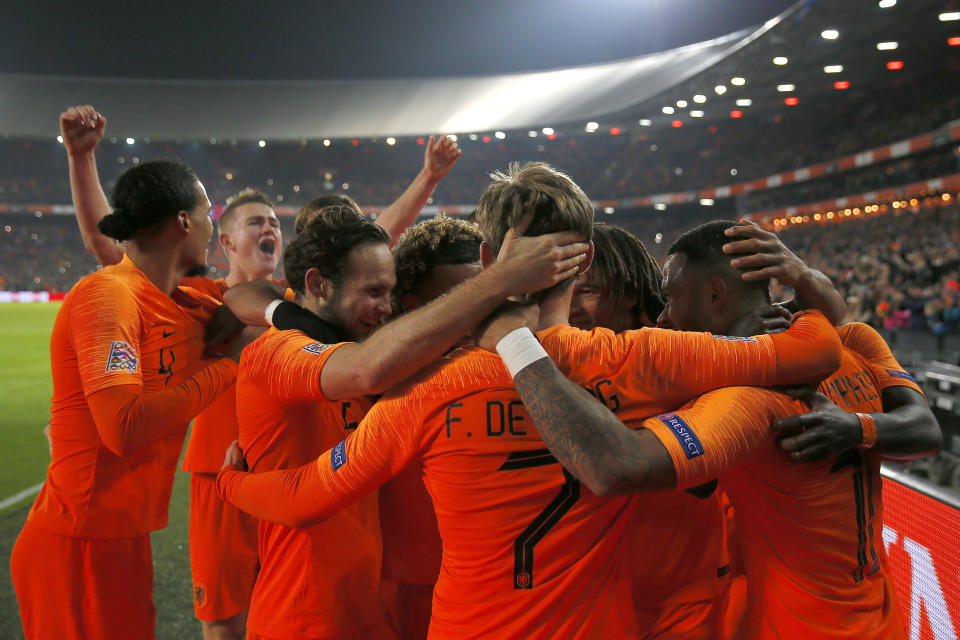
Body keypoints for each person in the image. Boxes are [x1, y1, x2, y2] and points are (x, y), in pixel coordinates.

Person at [215, 163, 842, 639]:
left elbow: (302, 499)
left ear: (488, 259)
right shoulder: (643, 360)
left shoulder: (430, 390)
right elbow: (818, 350)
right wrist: (806, 284)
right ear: (586, 258)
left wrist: (232, 484)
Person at [57, 105, 462, 639]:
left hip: (296, 466)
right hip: (220, 466)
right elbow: (111, 248)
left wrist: (429, 177)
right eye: (256, 222)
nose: (271, 227)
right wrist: (82, 158)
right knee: (225, 614)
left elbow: (367, 252)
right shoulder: (200, 297)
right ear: (222, 240)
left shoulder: (299, 301)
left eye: (276, 221)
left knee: (300, 581)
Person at [480, 219, 941, 639]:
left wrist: (513, 340)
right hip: (881, 616)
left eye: (672, 298)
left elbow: (619, 467)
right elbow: (922, 430)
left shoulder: (747, 403)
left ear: (715, 294)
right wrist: (803, 282)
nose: (664, 315)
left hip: (794, 624)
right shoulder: (852, 340)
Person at [234, 202, 586, 640]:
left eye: (390, 293)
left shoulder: (393, 360)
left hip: (375, 609)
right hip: (303, 617)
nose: (386, 308)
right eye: (375, 292)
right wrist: (503, 278)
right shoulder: (280, 354)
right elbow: (360, 369)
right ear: (317, 284)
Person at [11, 160, 244, 640]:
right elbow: (124, 428)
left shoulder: (186, 299)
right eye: (208, 214)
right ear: (183, 222)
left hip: (122, 538)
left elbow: (284, 298)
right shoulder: (108, 297)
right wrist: (230, 366)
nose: (211, 227)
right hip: (77, 544)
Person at [382, 216, 483, 640]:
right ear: (410, 303)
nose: (471, 315)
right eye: (452, 301)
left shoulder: (513, 367)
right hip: (405, 583)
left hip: (488, 586)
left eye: (481, 297)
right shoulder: (375, 371)